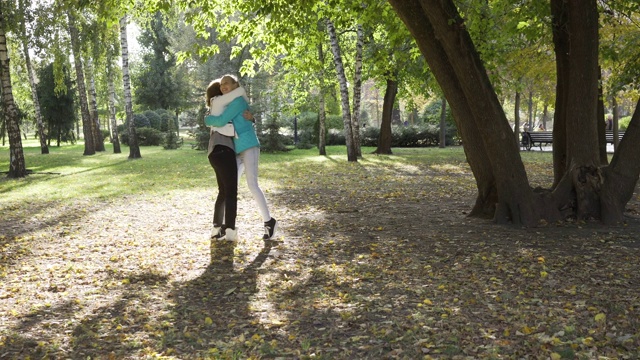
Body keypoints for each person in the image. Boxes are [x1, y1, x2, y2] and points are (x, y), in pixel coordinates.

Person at [205, 74, 278, 240]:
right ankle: (224, 227)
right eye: (221, 84)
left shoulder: (237, 102)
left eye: (227, 84)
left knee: (252, 184)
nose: (223, 87)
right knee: (230, 188)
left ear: (235, 85)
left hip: (249, 145)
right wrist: (253, 119)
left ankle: (269, 222)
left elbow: (222, 119)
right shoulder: (230, 101)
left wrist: (207, 119)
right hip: (237, 149)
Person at [205, 79, 238, 241]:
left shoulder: (213, 108)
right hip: (224, 149)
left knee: (223, 191)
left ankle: (216, 228)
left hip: (213, 152)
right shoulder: (221, 105)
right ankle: (230, 230)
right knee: (231, 191)